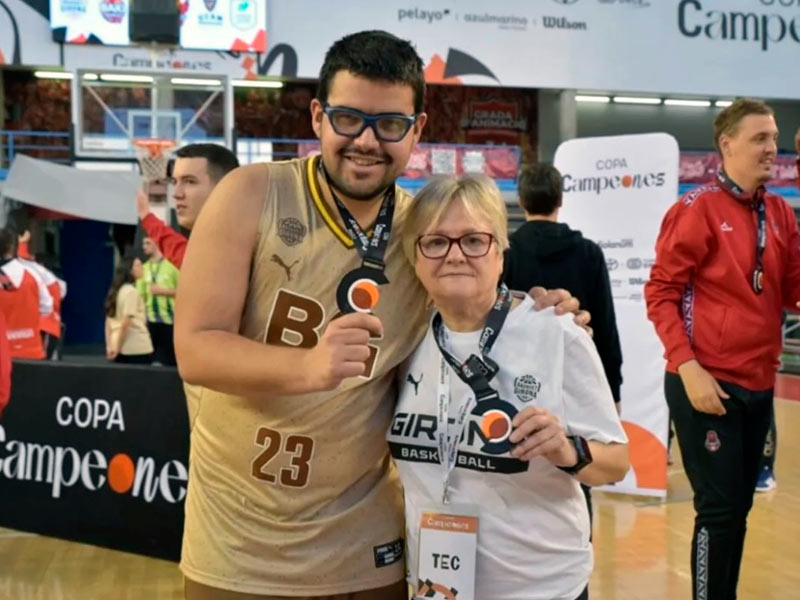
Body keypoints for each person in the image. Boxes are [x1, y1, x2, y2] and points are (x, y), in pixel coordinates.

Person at [175, 30, 586, 600]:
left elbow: (482, 306)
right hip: (242, 538)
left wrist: (544, 311)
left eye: (390, 125)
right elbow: (195, 349)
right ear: (318, 116)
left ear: (417, 129)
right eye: (348, 118)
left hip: (368, 545)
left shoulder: (424, 229)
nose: (366, 140)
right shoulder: (251, 194)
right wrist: (310, 368)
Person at [388, 175, 628, 600]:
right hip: (438, 586)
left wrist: (566, 449)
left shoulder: (557, 333)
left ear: (500, 253)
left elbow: (616, 463)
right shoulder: (404, 340)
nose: (456, 255)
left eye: (474, 240)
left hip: (541, 588)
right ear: (415, 256)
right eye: (436, 242)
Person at [645, 98, 800, 600]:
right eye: (760, 138)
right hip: (705, 383)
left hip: (757, 384)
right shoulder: (696, 209)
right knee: (717, 509)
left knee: (739, 509)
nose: (771, 148)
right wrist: (688, 368)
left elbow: (794, 289)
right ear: (726, 144)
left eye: (774, 138)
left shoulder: (778, 212)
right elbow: (661, 292)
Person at [503, 162, 624, 530]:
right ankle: (574, 547)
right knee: (578, 463)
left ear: (521, 200)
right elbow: (604, 325)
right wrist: (612, 393)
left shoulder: (507, 253)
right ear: (560, 199)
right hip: (576, 384)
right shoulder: (587, 253)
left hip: (515, 385)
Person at [136, 143, 240, 268]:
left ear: (225, 188)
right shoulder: (207, 252)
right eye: (175, 182)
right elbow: (178, 251)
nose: (176, 194)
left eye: (190, 181)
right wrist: (147, 217)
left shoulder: (246, 251)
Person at [0, 228, 52, 360]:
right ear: (13, 247)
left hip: (3, 354)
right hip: (31, 351)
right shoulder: (33, 274)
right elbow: (47, 307)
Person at [17, 230, 67, 359]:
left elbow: (23, 259)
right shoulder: (57, 283)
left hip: (44, 326)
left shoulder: (44, 276)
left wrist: (23, 242)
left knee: (42, 362)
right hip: (51, 326)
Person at [104, 257, 153, 365]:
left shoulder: (115, 291)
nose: (142, 268)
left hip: (116, 344)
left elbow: (108, 322)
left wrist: (110, 345)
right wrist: (117, 347)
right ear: (130, 270)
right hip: (136, 348)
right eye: (138, 265)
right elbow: (126, 323)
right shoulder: (131, 292)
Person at [139, 237, 179, 366]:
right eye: (143, 243)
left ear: (157, 243)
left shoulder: (172, 266)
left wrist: (163, 291)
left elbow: (185, 292)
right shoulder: (144, 268)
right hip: (150, 321)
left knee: (171, 361)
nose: (144, 246)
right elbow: (141, 297)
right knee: (149, 361)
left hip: (170, 321)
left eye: (147, 243)